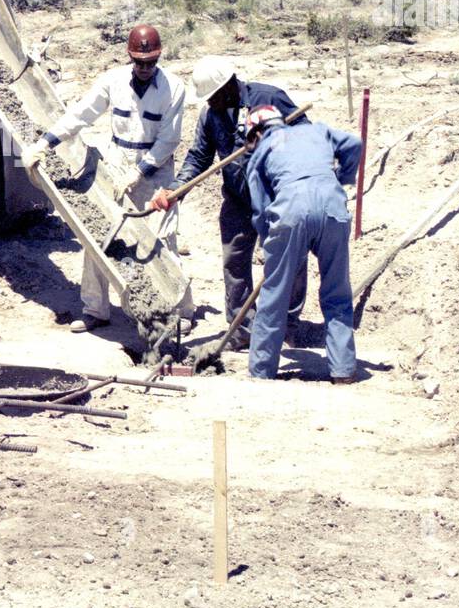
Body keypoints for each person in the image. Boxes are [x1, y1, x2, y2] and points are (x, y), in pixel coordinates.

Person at [22, 24, 185, 332]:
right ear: (130, 57)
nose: (146, 68)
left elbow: (168, 140)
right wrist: (46, 142)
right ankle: (96, 309)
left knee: (162, 238)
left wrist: (139, 173)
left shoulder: (174, 89)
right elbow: (82, 113)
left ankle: (176, 310)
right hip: (118, 160)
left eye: (152, 62)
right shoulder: (112, 81)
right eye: (140, 62)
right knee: (100, 236)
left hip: (156, 166)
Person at [154, 57, 307, 349]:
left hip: (277, 198)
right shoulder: (211, 115)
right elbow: (199, 157)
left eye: (213, 97)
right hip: (237, 199)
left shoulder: (268, 98)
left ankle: (288, 326)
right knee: (234, 262)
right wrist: (176, 190)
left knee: (289, 261)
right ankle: (242, 328)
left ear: (228, 87)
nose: (209, 103)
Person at [242, 106, 362, 383]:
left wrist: (270, 248)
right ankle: (343, 371)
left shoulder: (260, 153)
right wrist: (343, 178)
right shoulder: (316, 129)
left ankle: (262, 372)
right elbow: (354, 143)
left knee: (275, 294)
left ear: (258, 132)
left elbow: (260, 211)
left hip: (291, 213)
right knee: (337, 292)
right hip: (333, 207)